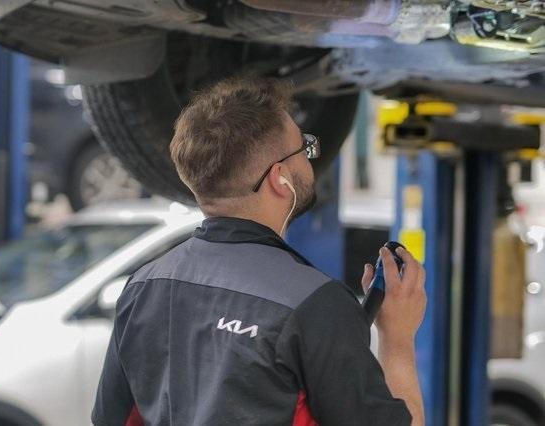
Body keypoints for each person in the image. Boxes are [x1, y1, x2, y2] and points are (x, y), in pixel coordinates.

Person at [91, 77, 427, 426]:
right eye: (304, 149)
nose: (310, 158)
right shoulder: (315, 304)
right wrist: (398, 337)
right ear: (279, 178)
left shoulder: (142, 287)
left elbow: (109, 420)